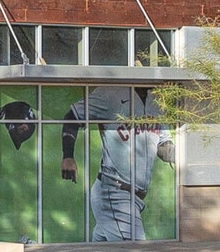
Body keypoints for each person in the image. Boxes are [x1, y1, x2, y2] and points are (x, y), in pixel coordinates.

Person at [58, 98, 174, 240]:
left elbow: (163, 143)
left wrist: (175, 153)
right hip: (115, 193)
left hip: (132, 197)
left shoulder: (158, 99)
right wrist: (68, 156)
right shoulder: (110, 93)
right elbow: (73, 117)